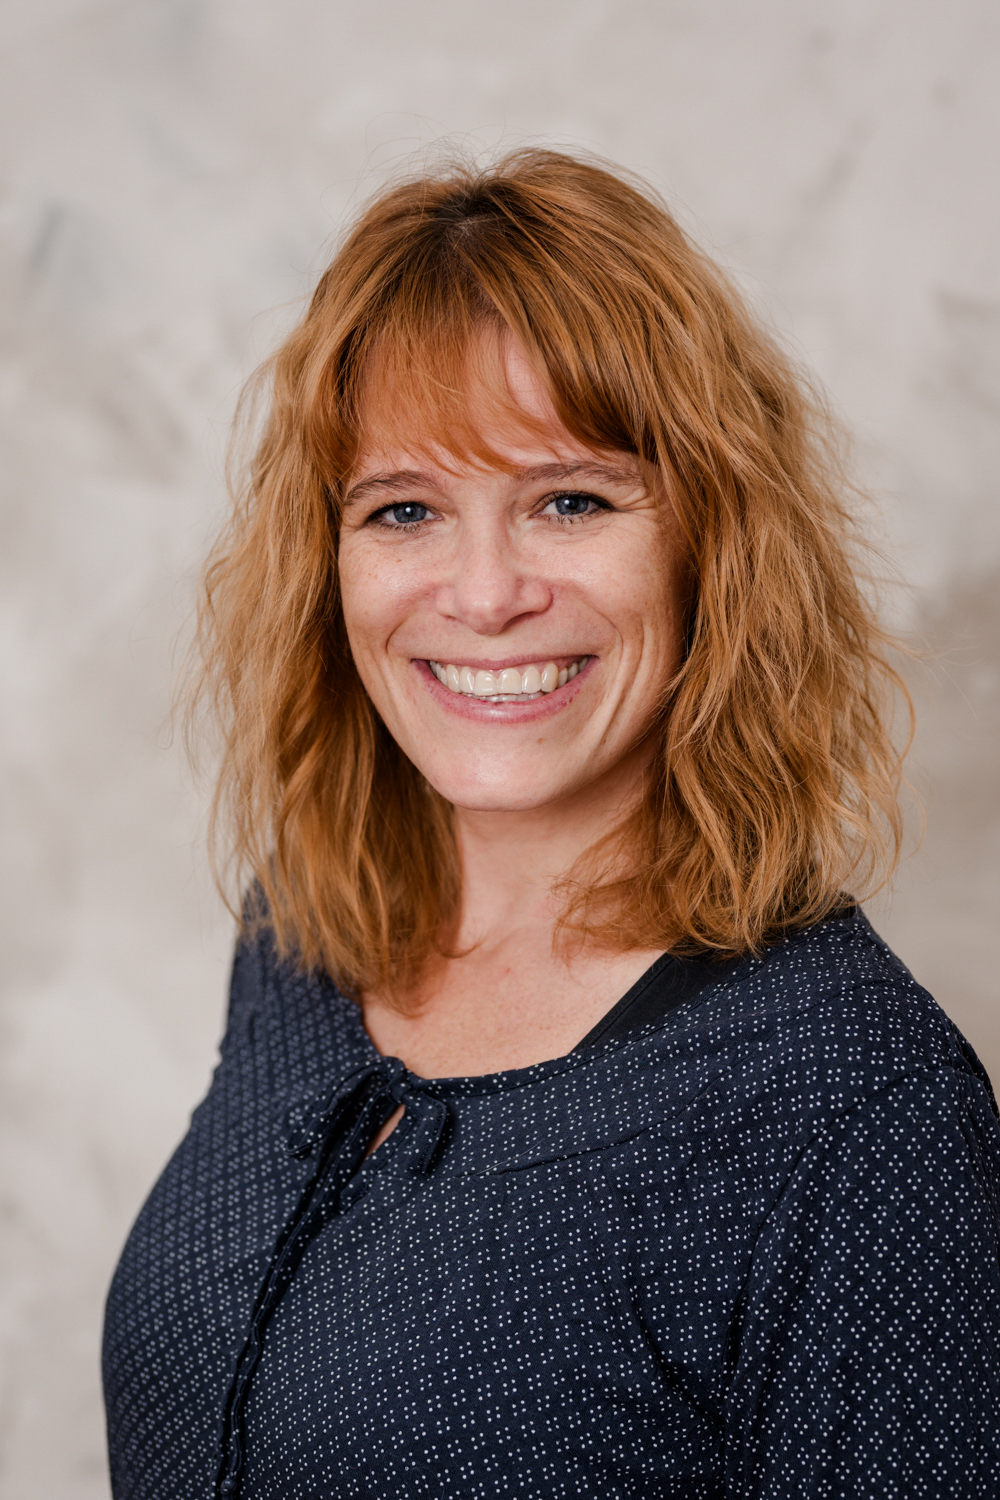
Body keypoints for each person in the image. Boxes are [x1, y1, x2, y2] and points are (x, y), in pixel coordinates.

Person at [102, 148, 1000, 1499]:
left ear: (711, 546)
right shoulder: (306, 932)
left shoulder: (853, 1104)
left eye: (570, 501)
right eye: (405, 509)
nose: (484, 595)